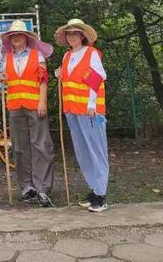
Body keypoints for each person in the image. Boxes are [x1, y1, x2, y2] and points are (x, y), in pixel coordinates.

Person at [54, 18, 108, 212]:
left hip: (89, 110)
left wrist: (92, 103)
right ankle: (94, 189)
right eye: (69, 33)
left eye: (75, 33)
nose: (71, 37)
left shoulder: (91, 53)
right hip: (72, 109)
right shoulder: (67, 56)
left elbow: (99, 77)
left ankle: (101, 195)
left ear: (82, 35)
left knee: (96, 150)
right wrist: (58, 74)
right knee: (82, 152)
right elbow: (70, 79)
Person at [0, 20, 55, 207]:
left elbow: (43, 80)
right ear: (10, 39)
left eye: (19, 35)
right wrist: (3, 78)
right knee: (20, 147)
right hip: (15, 106)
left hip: (34, 105)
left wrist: (42, 101)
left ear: (26, 37)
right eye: (13, 35)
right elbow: (7, 78)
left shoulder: (37, 55)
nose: (16, 38)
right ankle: (26, 186)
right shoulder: (6, 57)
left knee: (41, 145)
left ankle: (43, 188)